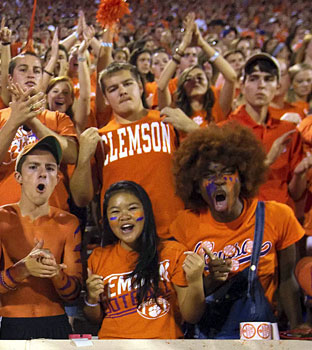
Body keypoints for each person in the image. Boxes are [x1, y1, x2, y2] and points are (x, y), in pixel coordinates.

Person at [170, 124, 304, 330]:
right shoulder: (183, 225)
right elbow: (185, 301)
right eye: (209, 175)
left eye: (227, 172)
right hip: (208, 337)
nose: (219, 181)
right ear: (196, 184)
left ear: (242, 176)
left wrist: (297, 327)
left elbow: (287, 280)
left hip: (260, 335)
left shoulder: (278, 215)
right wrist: (212, 280)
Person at [70, 62, 195, 239]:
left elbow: (214, 163)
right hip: (124, 240)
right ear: (105, 98)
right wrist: (83, 158)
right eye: (113, 88)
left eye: (127, 84)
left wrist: (193, 129)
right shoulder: (99, 138)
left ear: (140, 87)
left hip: (174, 234)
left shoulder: (169, 123)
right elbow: (81, 199)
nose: (122, 91)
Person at [0, 136, 82, 339]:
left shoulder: (69, 224)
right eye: (33, 167)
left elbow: (74, 294)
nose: (42, 174)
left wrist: (55, 275)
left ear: (58, 179)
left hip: (55, 322)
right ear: (18, 177)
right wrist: (23, 269)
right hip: (11, 324)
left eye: (50, 168)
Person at [84, 181, 205, 338]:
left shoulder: (172, 252)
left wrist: (195, 282)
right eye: (115, 212)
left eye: (132, 208)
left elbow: (192, 316)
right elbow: (95, 318)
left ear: (146, 212)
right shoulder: (98, 257)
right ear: (106, 220)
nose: (124, 216)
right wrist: (92, 298)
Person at [0, 51, 78, 211]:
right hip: (7, 219)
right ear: (9, 79)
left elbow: (71, 155)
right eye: (23, 70)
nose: (31, 74)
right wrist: (14, 120)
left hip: (54, 218)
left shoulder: (58, 118)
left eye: (37, 71)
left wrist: (30, 118)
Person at [226, 53, 307, 206]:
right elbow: (226, 186)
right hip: (243, 220)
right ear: (242, 86)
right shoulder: (227, 130)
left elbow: (296, 193)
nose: (261, 85)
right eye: (254, 78)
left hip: (281, 218)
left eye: (268, 79)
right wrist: (268, 161)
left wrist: (299, 174)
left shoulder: (288, 131)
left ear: (277, 87)